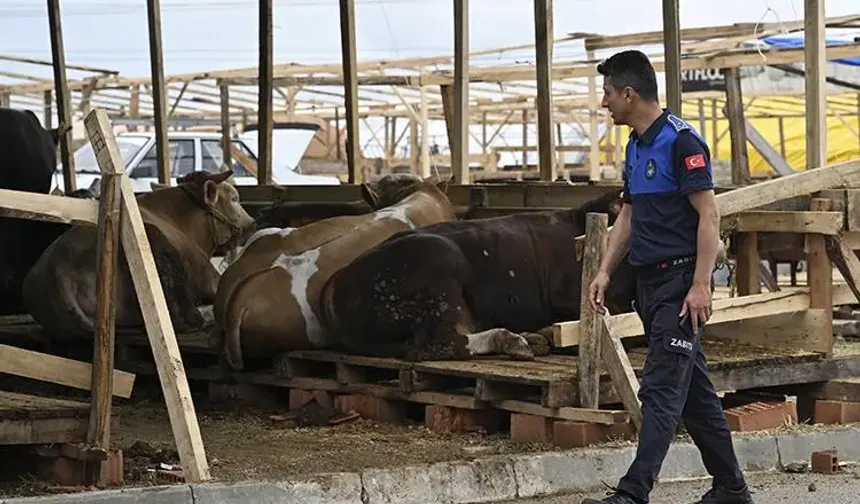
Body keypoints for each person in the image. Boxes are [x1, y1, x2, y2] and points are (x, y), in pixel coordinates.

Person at [583, 50, 754, 504]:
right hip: (650, 285)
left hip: (680, 285)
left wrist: (700, 285)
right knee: (695, 395)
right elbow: (628, 216)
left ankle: (633, 493)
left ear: (629, 94)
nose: (604, 102)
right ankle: (732, 489)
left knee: (659, 390)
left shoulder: (682, 143)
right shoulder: (635, 146)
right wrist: (604, 270)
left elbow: (709, 215)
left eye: (607, 93)